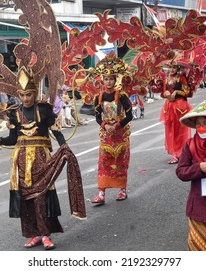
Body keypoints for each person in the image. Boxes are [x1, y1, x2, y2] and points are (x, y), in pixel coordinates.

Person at [0, 67, 86, 250]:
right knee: (26, 199)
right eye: (22, 95)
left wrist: (64, 147)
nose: (25, 99)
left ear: (34, 93)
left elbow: (56, 131)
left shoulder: (44, 110)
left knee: (41, 197)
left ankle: (45, 235)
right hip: (21, 161)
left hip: (41, 159)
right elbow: (12, 139)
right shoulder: (15, 113)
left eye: (29, 94)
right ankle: (34, 234)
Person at [91, 52, 133, 204]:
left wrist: (117, 125)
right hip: (106, 135)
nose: (108, 82)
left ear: (116, 79)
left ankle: (122, 189)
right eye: (106, 79)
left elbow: (130, 116)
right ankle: (101, 192)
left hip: (120, 134)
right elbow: (97, 117)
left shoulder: (122, 96)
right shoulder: (99, 97)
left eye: (111, 79)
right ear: (102, 80)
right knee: (103, 162)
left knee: (121, 162)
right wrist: (105, 125)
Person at [176, 98, 206, 251]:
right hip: (199, 205)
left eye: (205, 123)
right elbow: (181, 171)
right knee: (198, 248)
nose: (201, 127)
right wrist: (199, 168)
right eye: (198, 123)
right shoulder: (189, 145)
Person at [160, 62, 192, 164]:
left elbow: (188, 92)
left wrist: (176, 92)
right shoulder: (167, 78)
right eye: (170, 67)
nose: (172, 70)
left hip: (180, 107)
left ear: (178, 68)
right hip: (169, 107)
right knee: (171, 131)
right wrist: (166, 93)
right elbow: (164, 91)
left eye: (174, 67)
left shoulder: (181, 77)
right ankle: (175, 154)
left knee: (181, 131)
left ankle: (182, 153)